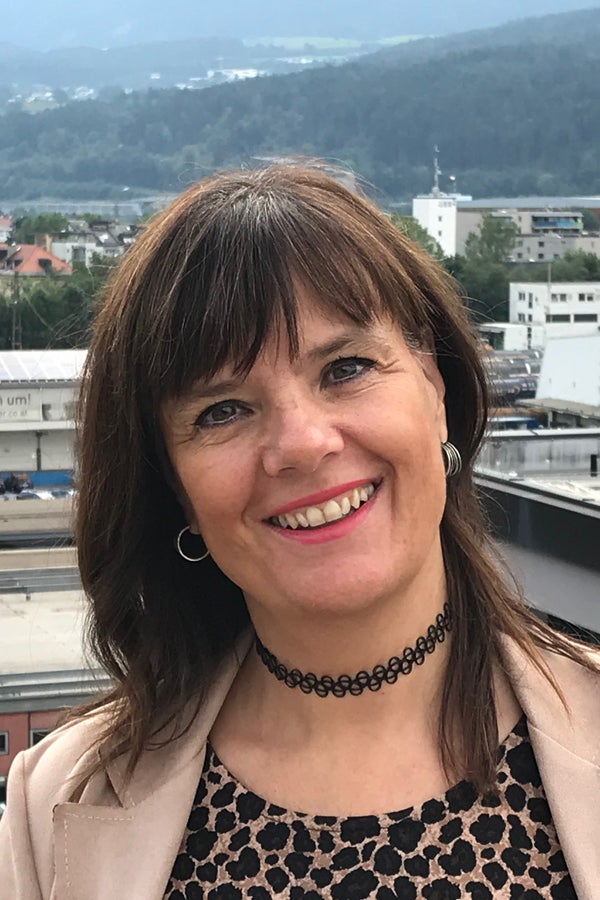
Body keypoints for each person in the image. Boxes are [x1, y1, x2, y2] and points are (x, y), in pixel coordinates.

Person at [0, 165, 598, 900]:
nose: (304, 444)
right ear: (176, 490)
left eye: (346, 368)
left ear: (436, 390)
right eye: (223, 410)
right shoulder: (53, 807)